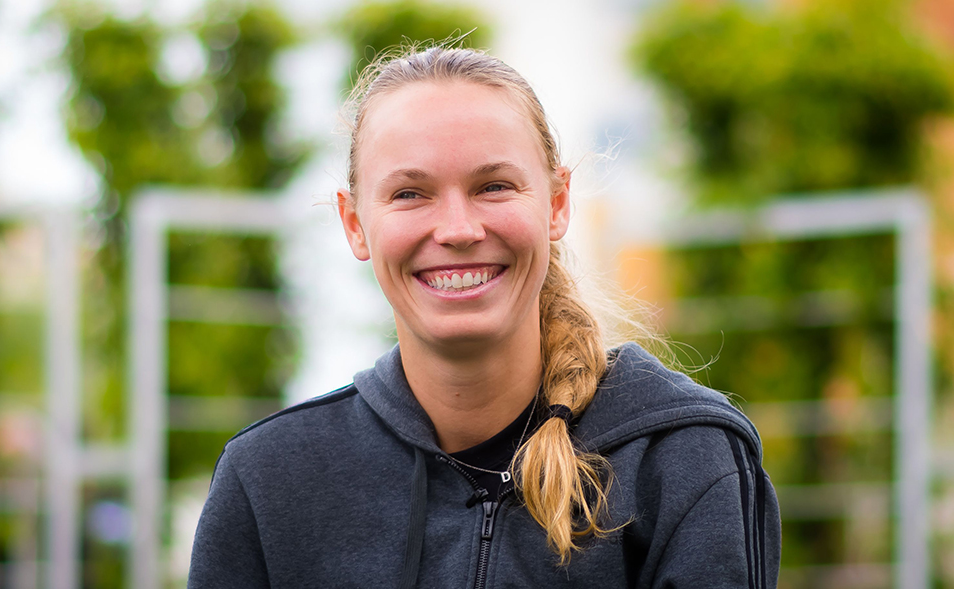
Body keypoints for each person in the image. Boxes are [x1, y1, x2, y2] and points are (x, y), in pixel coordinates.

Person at [188, 46, 780, 588]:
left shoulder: (681, 457)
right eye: (409, 194)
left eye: (493, 186)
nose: (459, 230)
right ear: (353, 223)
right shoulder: (268, 481)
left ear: (556, 204)